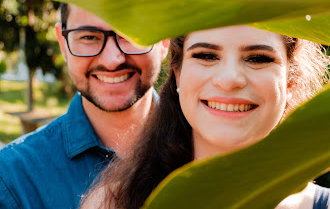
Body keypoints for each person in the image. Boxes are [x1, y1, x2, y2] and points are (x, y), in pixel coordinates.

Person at [81, 25, 330, 209]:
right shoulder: (110, 204)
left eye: (258, 58)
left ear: (290, 81)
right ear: (177, 73)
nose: (229, 79)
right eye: (206, 56)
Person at [0, 3, 169, 208]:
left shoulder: (205, 150)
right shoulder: (12, 176)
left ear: (164, 41)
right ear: (63, 43)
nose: (112, 60)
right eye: (89, 37)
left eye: (131, 34)